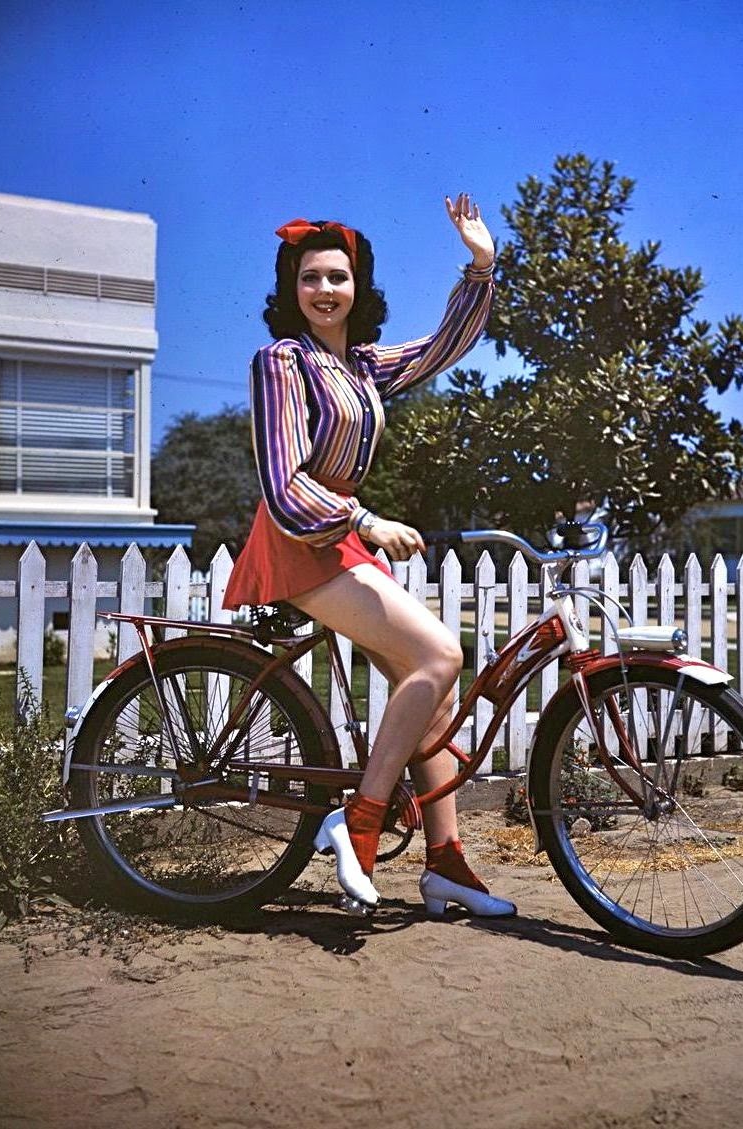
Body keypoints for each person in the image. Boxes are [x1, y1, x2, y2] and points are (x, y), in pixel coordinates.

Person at [223, 195, 515, 917]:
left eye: (339, 277)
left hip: (342, 539)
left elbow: (440, 348)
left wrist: (482, 265)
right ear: (292, 291)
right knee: (441, 654)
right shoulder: (281, 362)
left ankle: (444, 861)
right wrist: (366, 517)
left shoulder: (358, 366)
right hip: (300, 540)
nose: (326, 290)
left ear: (360, 288)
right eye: (311, 278)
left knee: (438, 690)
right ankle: (360, 820)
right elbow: (285, 485)